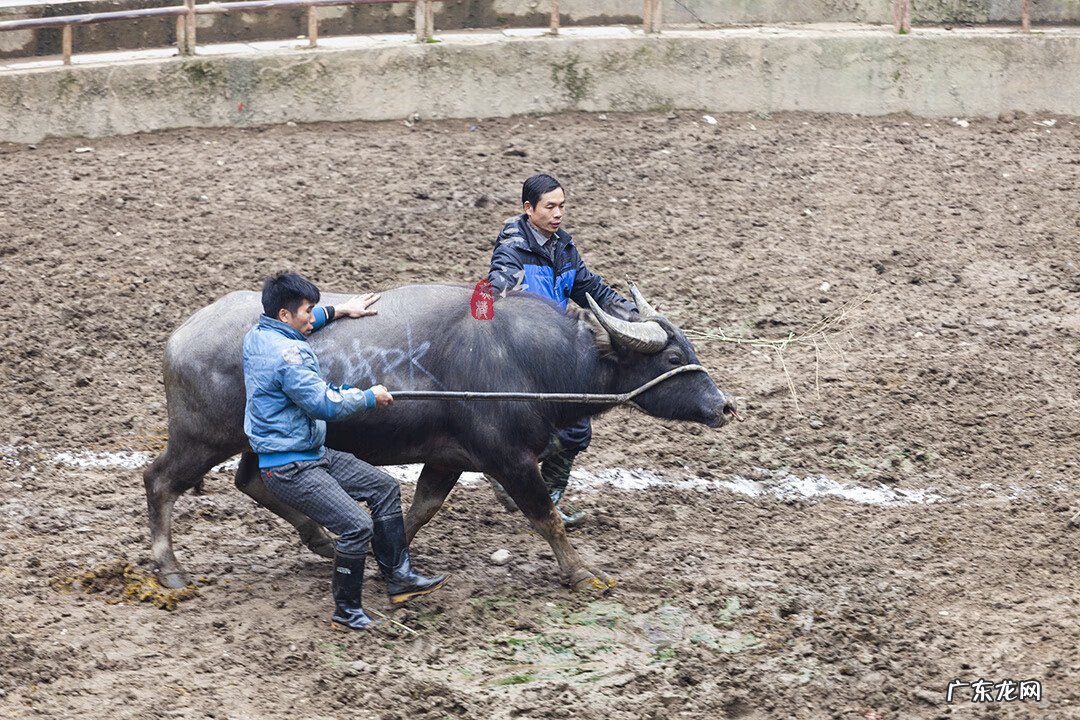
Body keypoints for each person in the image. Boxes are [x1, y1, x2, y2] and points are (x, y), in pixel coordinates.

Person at [243, 272, 448, 631]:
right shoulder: (289, 356)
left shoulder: (259, 335)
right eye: (308, 310)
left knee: (383, 488)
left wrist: (339, 311)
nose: (312, 316)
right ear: (284, 315)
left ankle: (400, 578)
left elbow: (306, 324)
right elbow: (324, 404)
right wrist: (370, 397)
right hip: (291, 465)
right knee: (356, 528)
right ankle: (346, 610)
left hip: (310, 452)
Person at [487, 174, 638, 528]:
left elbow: (591, 289)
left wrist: (633, 315)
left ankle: (543, 501)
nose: (558, 214)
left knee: (577, 432)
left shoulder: (563, 246)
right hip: (526, 354)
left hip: (555, 350)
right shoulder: (512, 249)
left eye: (562, 206)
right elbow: (498, 289)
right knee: (570, 430)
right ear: (529, 209)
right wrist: (501, 293)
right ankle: (508, 470)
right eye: (550, 207)